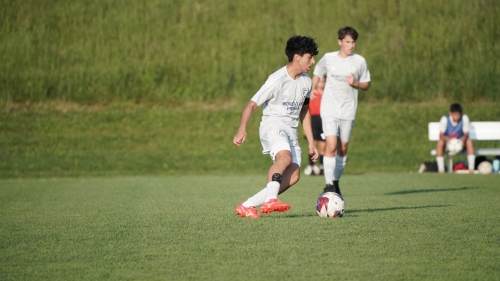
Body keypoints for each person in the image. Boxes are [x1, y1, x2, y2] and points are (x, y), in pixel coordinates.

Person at [233, 35, 319, 219]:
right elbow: (251, 105)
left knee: (294, 176)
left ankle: (247, 205)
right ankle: (271, 199)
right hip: (272, 125)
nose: (313, 61)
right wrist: (242, 129)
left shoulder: (306, 82)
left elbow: (304, 112)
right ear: (297, 57)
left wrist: (311, 141)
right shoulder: (277, 80)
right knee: (284, 158)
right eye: (309, 57)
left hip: (291, 130)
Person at [311, 26, 371, 196]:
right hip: (329, 109)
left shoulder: (359, 61)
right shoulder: (328, 58)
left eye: (353, 42)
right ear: (340, 42)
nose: (351, 45)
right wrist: (312, 88)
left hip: (348, 110)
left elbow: (367, 84)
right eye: (347, 42)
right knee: (330, 146)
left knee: (342, 147)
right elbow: (317, 72)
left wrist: (356, 84)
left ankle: (335, 182)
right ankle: (328, 184)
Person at [435, 103, 475, 174]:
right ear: (450, 113)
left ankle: (471, 169)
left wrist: (462, 139)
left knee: (469, 141)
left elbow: (466, 133)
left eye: (458, 115)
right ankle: (441, 169)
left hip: (461, 143)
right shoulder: (445, 119)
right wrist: (448, 140)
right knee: (440, 142)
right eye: (455, 114)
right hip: (448, 143)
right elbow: (441, 135)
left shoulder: (464, 118)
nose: (457, 117)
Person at [303, 76, 326, 176]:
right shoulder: (312, 93)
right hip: (313, 119)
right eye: (319, 81)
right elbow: (306, 110)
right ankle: (312, 167)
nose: (321, 83)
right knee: (313, 143)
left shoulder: (327, 93)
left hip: (324, 119)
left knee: (323, 145)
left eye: (323, 81)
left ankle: (322, 167)